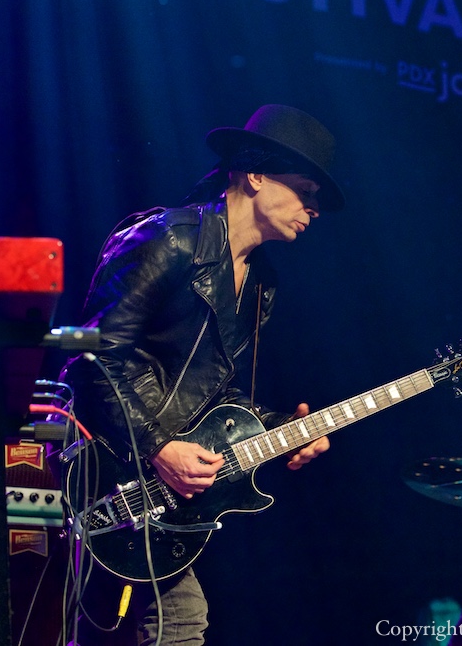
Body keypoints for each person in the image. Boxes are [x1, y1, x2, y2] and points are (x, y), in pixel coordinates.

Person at [63, 104, 344, 645]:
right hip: (99, 472)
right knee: (158, 622)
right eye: (305, 190)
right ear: (255, 174)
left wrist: (282, 429)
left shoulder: (262, 283)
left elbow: (217, 392)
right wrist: (158, 446)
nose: (313, 208)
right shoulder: (171, 239)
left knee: (162, 624)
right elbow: (94, 358)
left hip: (158, 492)